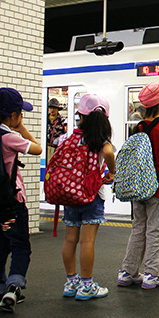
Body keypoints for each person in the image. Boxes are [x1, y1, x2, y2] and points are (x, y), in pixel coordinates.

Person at [118, 82, 159, 290]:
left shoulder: (140, 127)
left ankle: (128, 272)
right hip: (158, 187)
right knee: (155, 231)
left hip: (138, 187)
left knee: (137, 228)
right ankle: (152, 275)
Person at [0, 88, 42, 312]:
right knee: (19, 246)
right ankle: (13, 288)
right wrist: (21, 129)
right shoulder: (10, 137)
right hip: (12, 202)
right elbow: (37, 149)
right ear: (14, 115)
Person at [60, 94, 116, 301]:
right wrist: (112, 172)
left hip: (70, 195)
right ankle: (86, 285)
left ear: (80, 116)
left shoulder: (69, 138)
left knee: (70, 239)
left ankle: (71, 282)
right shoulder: (100, 140)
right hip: (92, 195)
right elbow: (109, 153)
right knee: (87, 241)